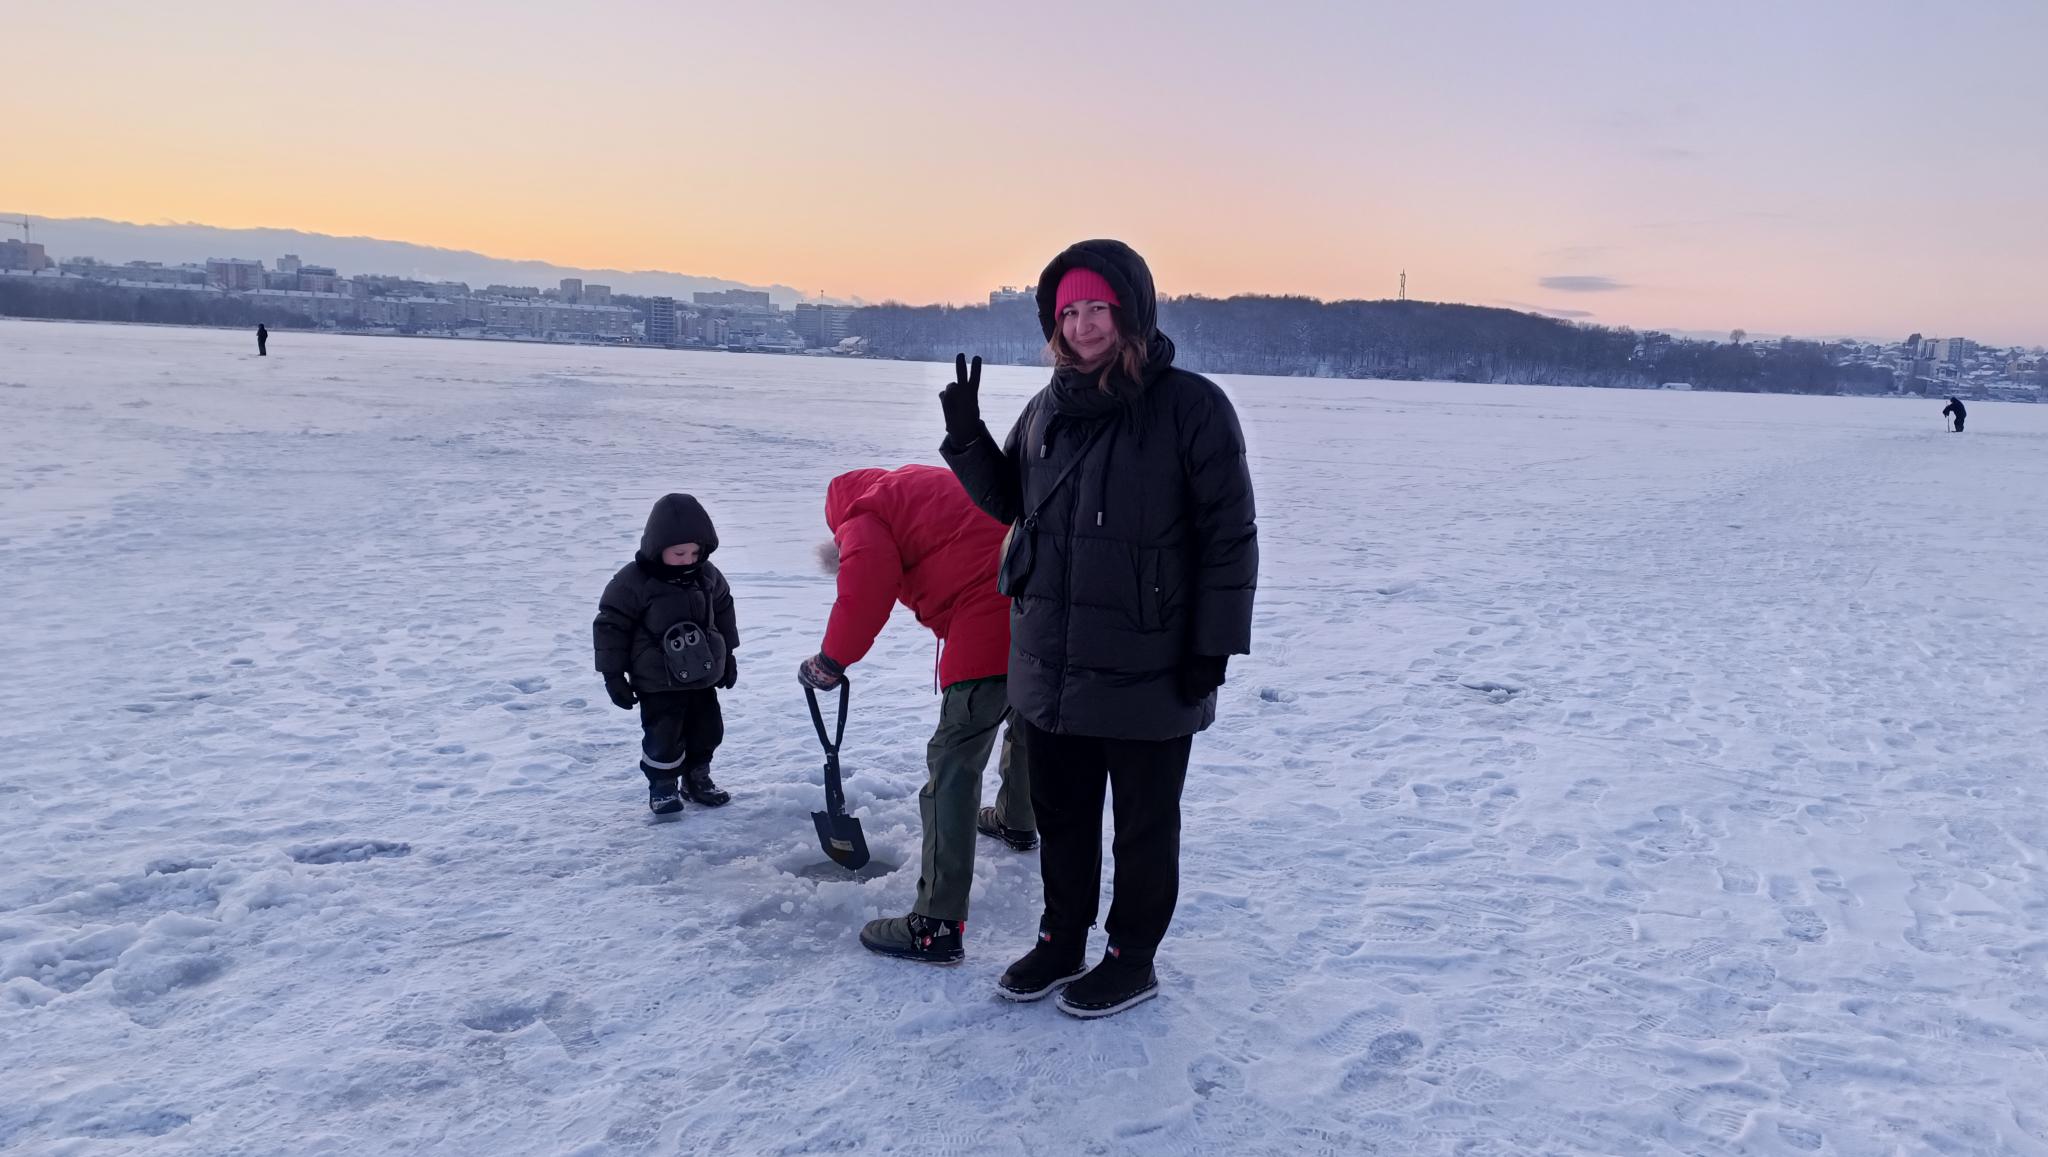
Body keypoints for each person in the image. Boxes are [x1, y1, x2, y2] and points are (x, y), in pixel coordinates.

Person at [940, 239, 1258, 1017]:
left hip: (1151, 660)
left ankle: (1130, 955)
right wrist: (967, 438)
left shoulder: (1192, 407)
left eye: (1097, 308)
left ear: (1131, 311)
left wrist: (1212, 645)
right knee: (1063, 812)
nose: (1082, 325)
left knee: (1145, 824)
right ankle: (1061, 938)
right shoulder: (1049, 407)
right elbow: (1017, 500)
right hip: (1051, 654)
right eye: (1068, 311)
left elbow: (1230, 536)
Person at [797, 465, 1035, 965]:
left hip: (984, 615)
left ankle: (937, 924)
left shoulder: (863, 514)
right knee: (1026, 718)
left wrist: (830, 662)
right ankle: (1017, 819)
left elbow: (865, 589)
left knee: (953, 762)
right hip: (1038, 611)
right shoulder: (914, 487)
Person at [593, 493, 739, 819]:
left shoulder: (708, 576)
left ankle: (696, 778)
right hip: (657, 680)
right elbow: (610, 626)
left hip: (702, 673)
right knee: (664, 735)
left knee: (708, 729)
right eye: (679, 553)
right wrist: (613, 675)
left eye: (696, 552)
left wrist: (728, 655)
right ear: (658, 547)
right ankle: (663, 786)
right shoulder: (632, 582)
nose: (689, 559)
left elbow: (724, 611)